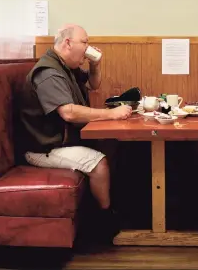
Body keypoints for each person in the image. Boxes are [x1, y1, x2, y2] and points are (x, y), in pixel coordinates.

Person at [19, 24, 132, 239]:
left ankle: (115, 206)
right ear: (67, 43)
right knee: (98, 162)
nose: (88, 47)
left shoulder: (65, 66)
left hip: (60, 141)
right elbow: (68, 113)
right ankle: (103, 220)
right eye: (85, 42)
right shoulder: (49, 72)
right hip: (43, 147)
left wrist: (95, 64)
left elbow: (93, 85)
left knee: (113, 144)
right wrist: (111, 114)